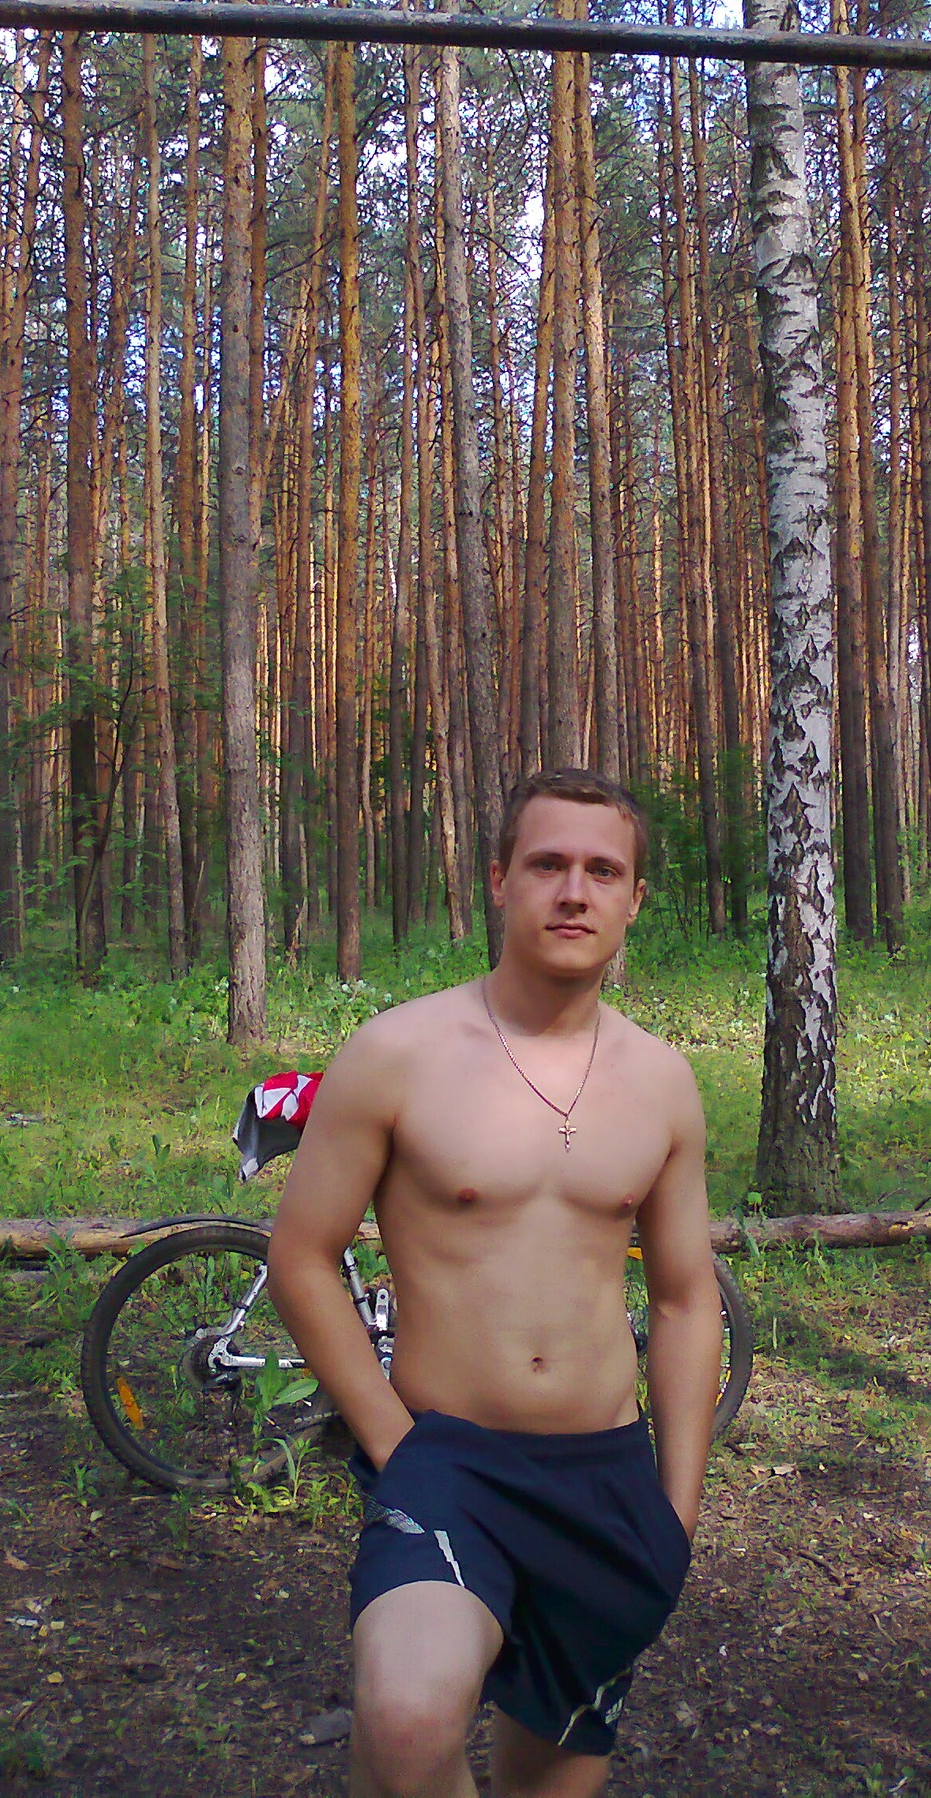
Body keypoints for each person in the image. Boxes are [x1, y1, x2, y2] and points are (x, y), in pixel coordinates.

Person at [268, 768, 724, 1798]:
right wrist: (394, 1442)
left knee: (546, 1776)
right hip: (447, 1457)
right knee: (406, 1718)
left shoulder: (662, 1081)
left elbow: (686, 1297)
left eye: (603, 870)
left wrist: (677, 1510)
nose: (574, 891)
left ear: (635, 898)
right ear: (498, 880)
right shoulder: (397, 1053)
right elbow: (301, 1253)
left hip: (606, 1474)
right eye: (547, 863)